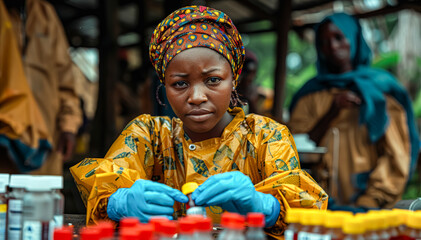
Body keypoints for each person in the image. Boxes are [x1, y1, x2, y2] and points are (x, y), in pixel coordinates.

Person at [70, 6, 327, 238]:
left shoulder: (266, 136)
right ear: (165, 87)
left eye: (213, 80)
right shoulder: (147, 135)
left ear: (233, 79)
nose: (196, 97)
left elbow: (308, 209)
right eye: (180, 84)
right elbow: (102, 186)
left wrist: (266, 206)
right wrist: (119, 201)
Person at [288, 13, 419, 209]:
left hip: (369, 209)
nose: (332, 46)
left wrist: (370, 202)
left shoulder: (381, 91)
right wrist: (331, 112)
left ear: (354, 38)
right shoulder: (308, 95)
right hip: (315, 208)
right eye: (324, 42)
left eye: (339, 38)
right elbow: (292, 149)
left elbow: (397, 155)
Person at [0, 0, 83, 175]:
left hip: (47, 137)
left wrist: (69, 125)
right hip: (3, 137)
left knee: (42, 195)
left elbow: (65, 79)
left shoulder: (45, 14)